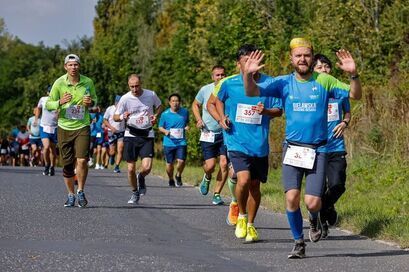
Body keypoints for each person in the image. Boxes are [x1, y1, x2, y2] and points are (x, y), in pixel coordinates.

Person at [242, 38, 362, 258]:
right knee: (291, 198)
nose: (302, 59)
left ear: (312, 57)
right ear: (291, 59)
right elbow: (251, 92)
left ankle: (314, 219)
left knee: (313, 202)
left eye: (306, 55)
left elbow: (355, 95)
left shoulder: (324, 80)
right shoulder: (284, 82)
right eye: (298, 56)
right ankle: (298, 242)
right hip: (293, 149)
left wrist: (353, 75)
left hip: (318, 149)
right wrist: (248, 75)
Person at [208, 44, 283, 243]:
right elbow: (213, 102)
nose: (252, 64)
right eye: (247, 61)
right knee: (243, 180)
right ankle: (241, 214)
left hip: (259, 144)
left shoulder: (270, 83)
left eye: (255, 60)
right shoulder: (228, 83)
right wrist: (221, 118)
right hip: (236, 140)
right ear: (239, 63)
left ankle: (250, 224)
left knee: (255, 186)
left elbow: (279, 110)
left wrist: (265, 112)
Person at [46, 53, 97, 208]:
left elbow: (95, 100)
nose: (73, 67)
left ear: (79, 66)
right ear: (65, 67)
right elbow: (48, 104)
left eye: (76, 65)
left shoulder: (88, 82)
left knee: (82, 160)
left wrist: (91, 102)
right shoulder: (59, 83)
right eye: (70, 65)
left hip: (82, 126)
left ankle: (80, 191)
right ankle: (70, 194)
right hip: (64, 127)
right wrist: (59, 102)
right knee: (67, 165)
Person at [312, 54, 351, 238]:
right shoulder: (311, 92)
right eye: (319, 67)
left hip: (336, 146)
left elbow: (348, 112)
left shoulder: (338, 91)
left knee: (338, 185)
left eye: (326, 66)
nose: (324, 70)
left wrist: (344, 122)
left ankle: (326, 207)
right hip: (315, 147)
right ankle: (322, 222)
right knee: (317, 190)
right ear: (313, 71)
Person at [114, 74, 163, 204]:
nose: (135, 89)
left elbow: (159, 106)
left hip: (147, 134)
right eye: (132, 87)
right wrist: (122, 116)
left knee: (146, 168)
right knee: (130, 168)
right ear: (128, 86)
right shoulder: (125, 98)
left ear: (141, 84)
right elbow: (115, 117)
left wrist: (156, 115)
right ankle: (135, 192)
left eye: (137, 86)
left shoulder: (151, 94)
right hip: (131, 135)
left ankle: (140, 177)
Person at [192, 65, 229, 205]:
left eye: (223, 74)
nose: (220, 77)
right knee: (211, 165)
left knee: (224, 164)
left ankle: (217, 194)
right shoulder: (205, 89)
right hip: (208, 132)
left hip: (225, 132)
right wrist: (198, 119)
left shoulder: (229, 89)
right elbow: (195, 105)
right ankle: (207, 176)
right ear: (212, 77)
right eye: (217, 75)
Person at [159, 93, 189, 187]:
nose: (175, 103)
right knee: (169, 164)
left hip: (181, 141)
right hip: (169, 142)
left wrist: (187, 127)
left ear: (179, 102)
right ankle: (171, 179)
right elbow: (160, 127)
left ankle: (178, 175)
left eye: (177, 101)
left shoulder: (185, 112)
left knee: (181, 161)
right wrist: (165, 131)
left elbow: (186, 123)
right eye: (173, 101)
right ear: (169, 103)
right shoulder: (165, 114)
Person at [37, 86, 59, 176]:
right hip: (44, 126)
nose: (51, 93)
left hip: (54, 127)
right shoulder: (43, 99)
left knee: (53, 150)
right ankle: (47, 165)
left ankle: (52, 167)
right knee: (46, 147)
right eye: (50, 91)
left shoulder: (59, 101)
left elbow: (61, 111)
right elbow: (38, 108)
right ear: (47, 92)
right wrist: (36, 118)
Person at [103, 95, 125, 173]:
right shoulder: (110, 109)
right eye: (119, 102)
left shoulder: (124, 109)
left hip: (121, 132)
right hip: (111, 131)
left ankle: (117, 166)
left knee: (120, 149)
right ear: (116, 102)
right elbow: (105, 120)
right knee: (112, 151)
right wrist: (111, 127)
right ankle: (112, 156)